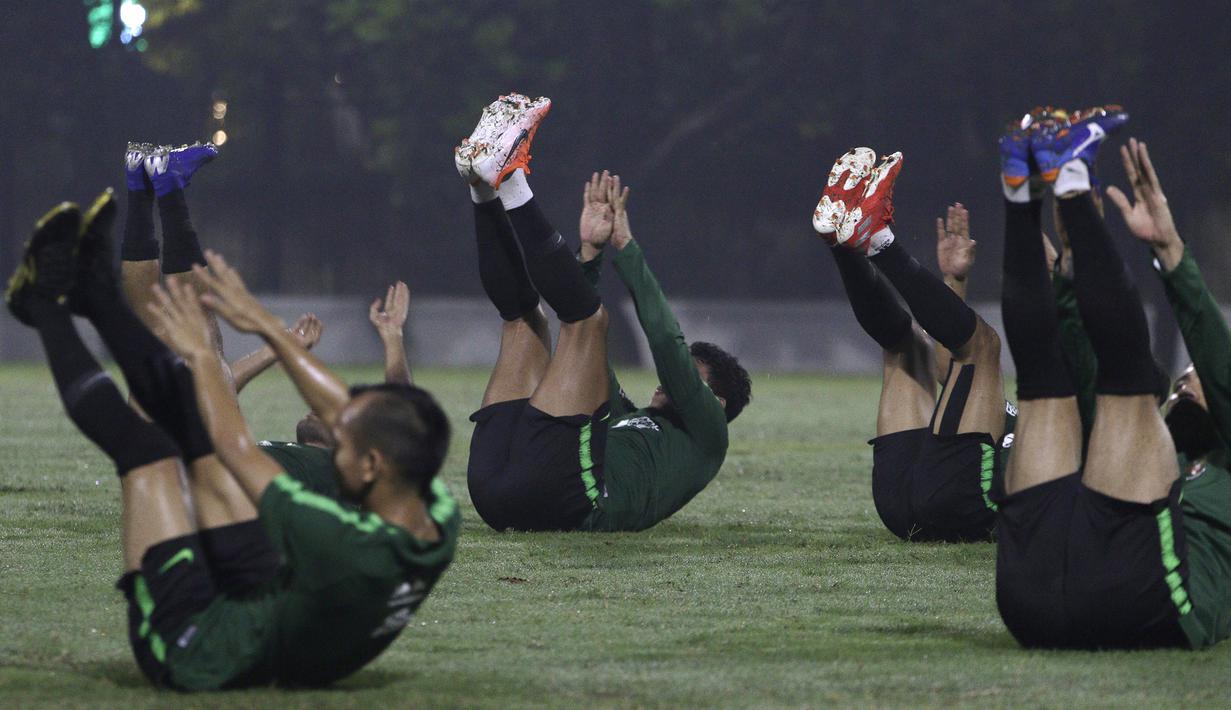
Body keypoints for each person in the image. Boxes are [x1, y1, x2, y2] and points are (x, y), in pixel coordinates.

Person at [4, 191, 459, 689]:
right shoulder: (433, 508)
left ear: (373, 466)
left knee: (151, 453)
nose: (335, 439)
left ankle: (44, 306)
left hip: (202, 646)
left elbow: (232, 447)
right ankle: (93, 295)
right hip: (272, 594)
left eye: (343, 447)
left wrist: (204, 358)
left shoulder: (339, 540)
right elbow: (348, 413)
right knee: (189, 434)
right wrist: (262, 324)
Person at [994, 103, 1231, 649]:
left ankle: (1071, 180)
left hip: (1141, 601)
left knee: (1130, 384)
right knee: (1042, 384)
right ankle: (1020, 191)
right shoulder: (1154, 457)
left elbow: (1218, 363)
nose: (1183, 382)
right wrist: (1073, 271)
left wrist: (1171, 255)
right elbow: (1083, 366)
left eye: (1192, 377)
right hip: (1032, 597)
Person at [457, 94, 751, 532]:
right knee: (527, 322)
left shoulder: (708, 437)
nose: (668, 382)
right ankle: (482, 183)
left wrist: (627, 249)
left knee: (588, 322)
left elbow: (666, 345)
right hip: (496, 489)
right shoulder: (628, 416)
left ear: (717, 403)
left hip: (564, 501)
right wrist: (590, 253)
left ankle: (512, 178)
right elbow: (588, 359)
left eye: (691, 379)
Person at [812, 148, 1010, 542]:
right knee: (908, 348)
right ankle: (845, 245)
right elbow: (945, 369)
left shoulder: (1070, 424)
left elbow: (963, 361)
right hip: (913, 499)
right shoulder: (1039, 424)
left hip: (956, 501)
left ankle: (877, 242)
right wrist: (954, 282)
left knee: (984, 346)